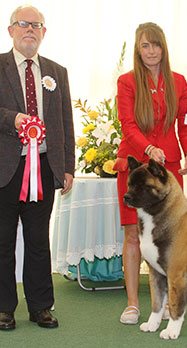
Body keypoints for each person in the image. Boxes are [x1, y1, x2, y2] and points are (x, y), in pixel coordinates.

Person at [114, 22, 187, 324]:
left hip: (169, 169)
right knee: (133, 234)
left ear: (164, 47)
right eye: (145, 45)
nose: (151, 51)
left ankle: (171, 304)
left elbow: (185, 124)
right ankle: (133, 304)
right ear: (137, 49)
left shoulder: (180, 82)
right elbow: (128, 124)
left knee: (173, 236)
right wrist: (148, 150)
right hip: (135, 165)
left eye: (156, 45)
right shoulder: (127, 82)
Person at [0, 5, 75, 330]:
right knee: (2, 242)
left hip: (44, 169)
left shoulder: (57, 72)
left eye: (37, 25)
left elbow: (66, 123)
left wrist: (68, 167)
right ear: (11, 30)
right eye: (23, 24)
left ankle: (41, 306)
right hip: (5, 170)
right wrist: (11, 119)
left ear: (44, 33)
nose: (30, 29)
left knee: (38, 240)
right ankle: (4, 309)